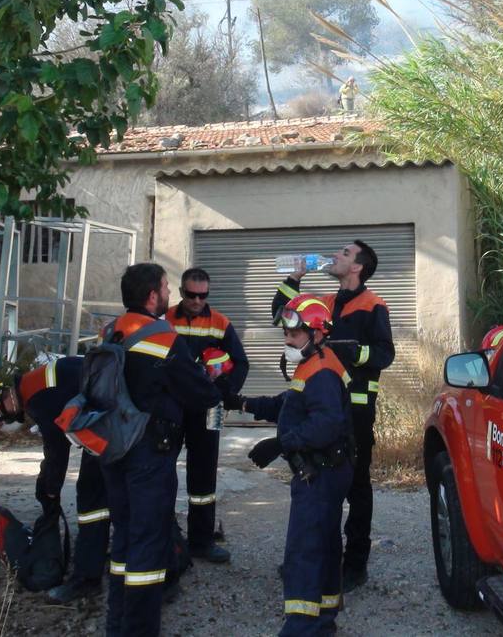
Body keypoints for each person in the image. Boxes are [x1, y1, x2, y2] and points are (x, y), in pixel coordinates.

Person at [101, 262, 221, 637]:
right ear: (152, 296)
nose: (170, 294)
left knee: (122, 538)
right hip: (149, 455)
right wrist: (213, 380)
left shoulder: (111, 331)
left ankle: (116, 625)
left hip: (113, 449)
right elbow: (201, 393)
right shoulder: (162, 338)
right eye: (167, 288)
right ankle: (139, 630)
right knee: (148, 546)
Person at [225, 294, 354, 636]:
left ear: (317, 333)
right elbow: (290, 404)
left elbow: (326, 425)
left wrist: (280, 443)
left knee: (304, 552)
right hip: (325, 471)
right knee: (324, 547)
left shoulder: (323, 371)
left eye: (294, 334)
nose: (287, 340)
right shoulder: (314, 363)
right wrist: (243, 403)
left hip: (321, 473)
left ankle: (300, 627)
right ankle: (323, 622)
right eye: (285, 333)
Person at [272, 240, 393, 592]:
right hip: (318, 408)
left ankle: (354, 564)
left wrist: (356, 352)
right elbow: (282, 311)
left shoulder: (374, 305)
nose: (335, 256)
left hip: (355, 411)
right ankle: (314, 556)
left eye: (343, 253)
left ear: (357, 267)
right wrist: (295, 275)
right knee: (317, 484)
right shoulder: (323, 302)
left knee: (356, 486)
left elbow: (385, 354)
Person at [0, 357, 108, 603]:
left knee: (92, 501)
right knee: (116, 494)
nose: (3, 424)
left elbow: (57, 449)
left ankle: (87, 579)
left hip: (115, 426)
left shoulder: (37, 398)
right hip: (121, 418)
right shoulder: (32, 384)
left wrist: (49, 490)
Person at [165, 266, 250, 564]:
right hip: (172, 406)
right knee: (162, 468)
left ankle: (201, 541)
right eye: (191, 295)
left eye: (203, 295)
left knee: (204, 474)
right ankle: (167, 535)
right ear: (181, 292)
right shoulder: (165, 320)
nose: (197, 300)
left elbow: (241, 363)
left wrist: (223, 393)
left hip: (209, 409)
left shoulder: (220, 323)